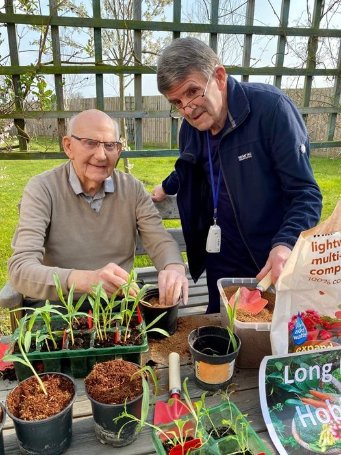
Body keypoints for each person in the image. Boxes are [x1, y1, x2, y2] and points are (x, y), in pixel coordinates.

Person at [152, 37, 322, 313]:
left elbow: (306, 194)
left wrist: (285, 243)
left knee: (266, 341)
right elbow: (190, 165)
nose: (188, 109)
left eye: (193, 92)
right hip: (219, 256)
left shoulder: (272, 110)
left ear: (219, 76)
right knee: (220, 339)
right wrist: (165, 186)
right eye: (177, 102)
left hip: (269, 258)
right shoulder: (189, 129)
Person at [8, 109, 188, 307]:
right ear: (68, 146)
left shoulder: (132, 189)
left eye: (110, 145)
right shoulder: (43, 189)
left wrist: (173, 268)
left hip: (118, 305)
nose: (101, 156)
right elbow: (20, 268)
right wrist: (86, 281)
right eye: (90, 143)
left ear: (118, 150)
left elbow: (159, 240)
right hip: (59, 308)